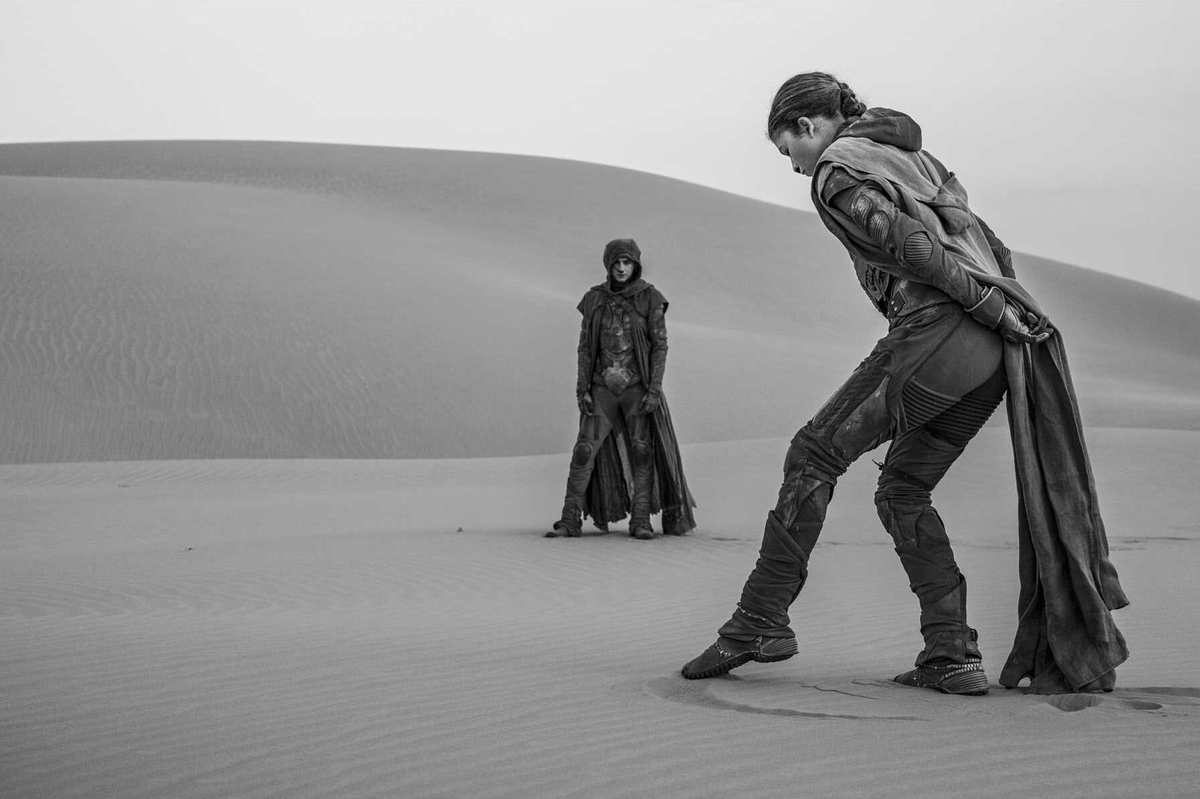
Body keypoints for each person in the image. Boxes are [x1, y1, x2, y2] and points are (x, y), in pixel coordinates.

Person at [681, 73, 1128, 695]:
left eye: (789, 150)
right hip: (991, 356)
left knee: (813, 454)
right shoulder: (912, 158)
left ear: (808, 126)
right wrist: (998, 311)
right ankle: (951, 654)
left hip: (940, 332)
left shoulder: (838, 169)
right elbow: (991, 246)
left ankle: (759, 621)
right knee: (903, 489)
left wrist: (985, 306)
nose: (795, 166)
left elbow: (915, 248)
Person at [546, 238, 696, 540]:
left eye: (627, 262)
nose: (621, 268)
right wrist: (582, 389)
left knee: (642, 452)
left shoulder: (650, 298)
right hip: (601, 386)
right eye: (616, 262)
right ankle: (569, 519)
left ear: (636, 264)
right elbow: (585, 347)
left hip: (636, 387)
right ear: (608, 265)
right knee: (584, 451)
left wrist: (654, 390)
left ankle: (641, 521)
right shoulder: (594, 299)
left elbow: (660, 346)